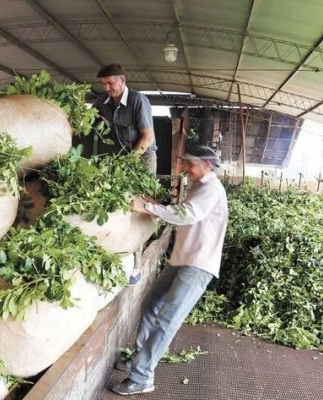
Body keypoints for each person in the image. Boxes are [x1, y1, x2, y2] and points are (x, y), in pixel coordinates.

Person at [110, 145, 228, 396]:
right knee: (151, 304)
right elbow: (182, 212)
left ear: (207, 165)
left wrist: (149, 209)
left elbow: (187, 214)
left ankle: (142, 377)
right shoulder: (197, 185)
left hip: (198, 265)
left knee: (167, 319)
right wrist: (158, 205)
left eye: (190, 164)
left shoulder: (211, 188)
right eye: (185, 163)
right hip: (181, 259)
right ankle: (139, 358)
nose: (186, 168)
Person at [93, 63, 158, 285]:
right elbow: (85, 120)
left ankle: (137, 263)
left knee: (139, 205)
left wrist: (131, 161)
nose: (107, 88)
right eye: (104, 84)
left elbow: (147, 136)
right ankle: (115, 248)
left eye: (111, 83)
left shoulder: (138, 101)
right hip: (120, 160)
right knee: (117, 202)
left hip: (142, 158)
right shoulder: (103, 103)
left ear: (123, 80)